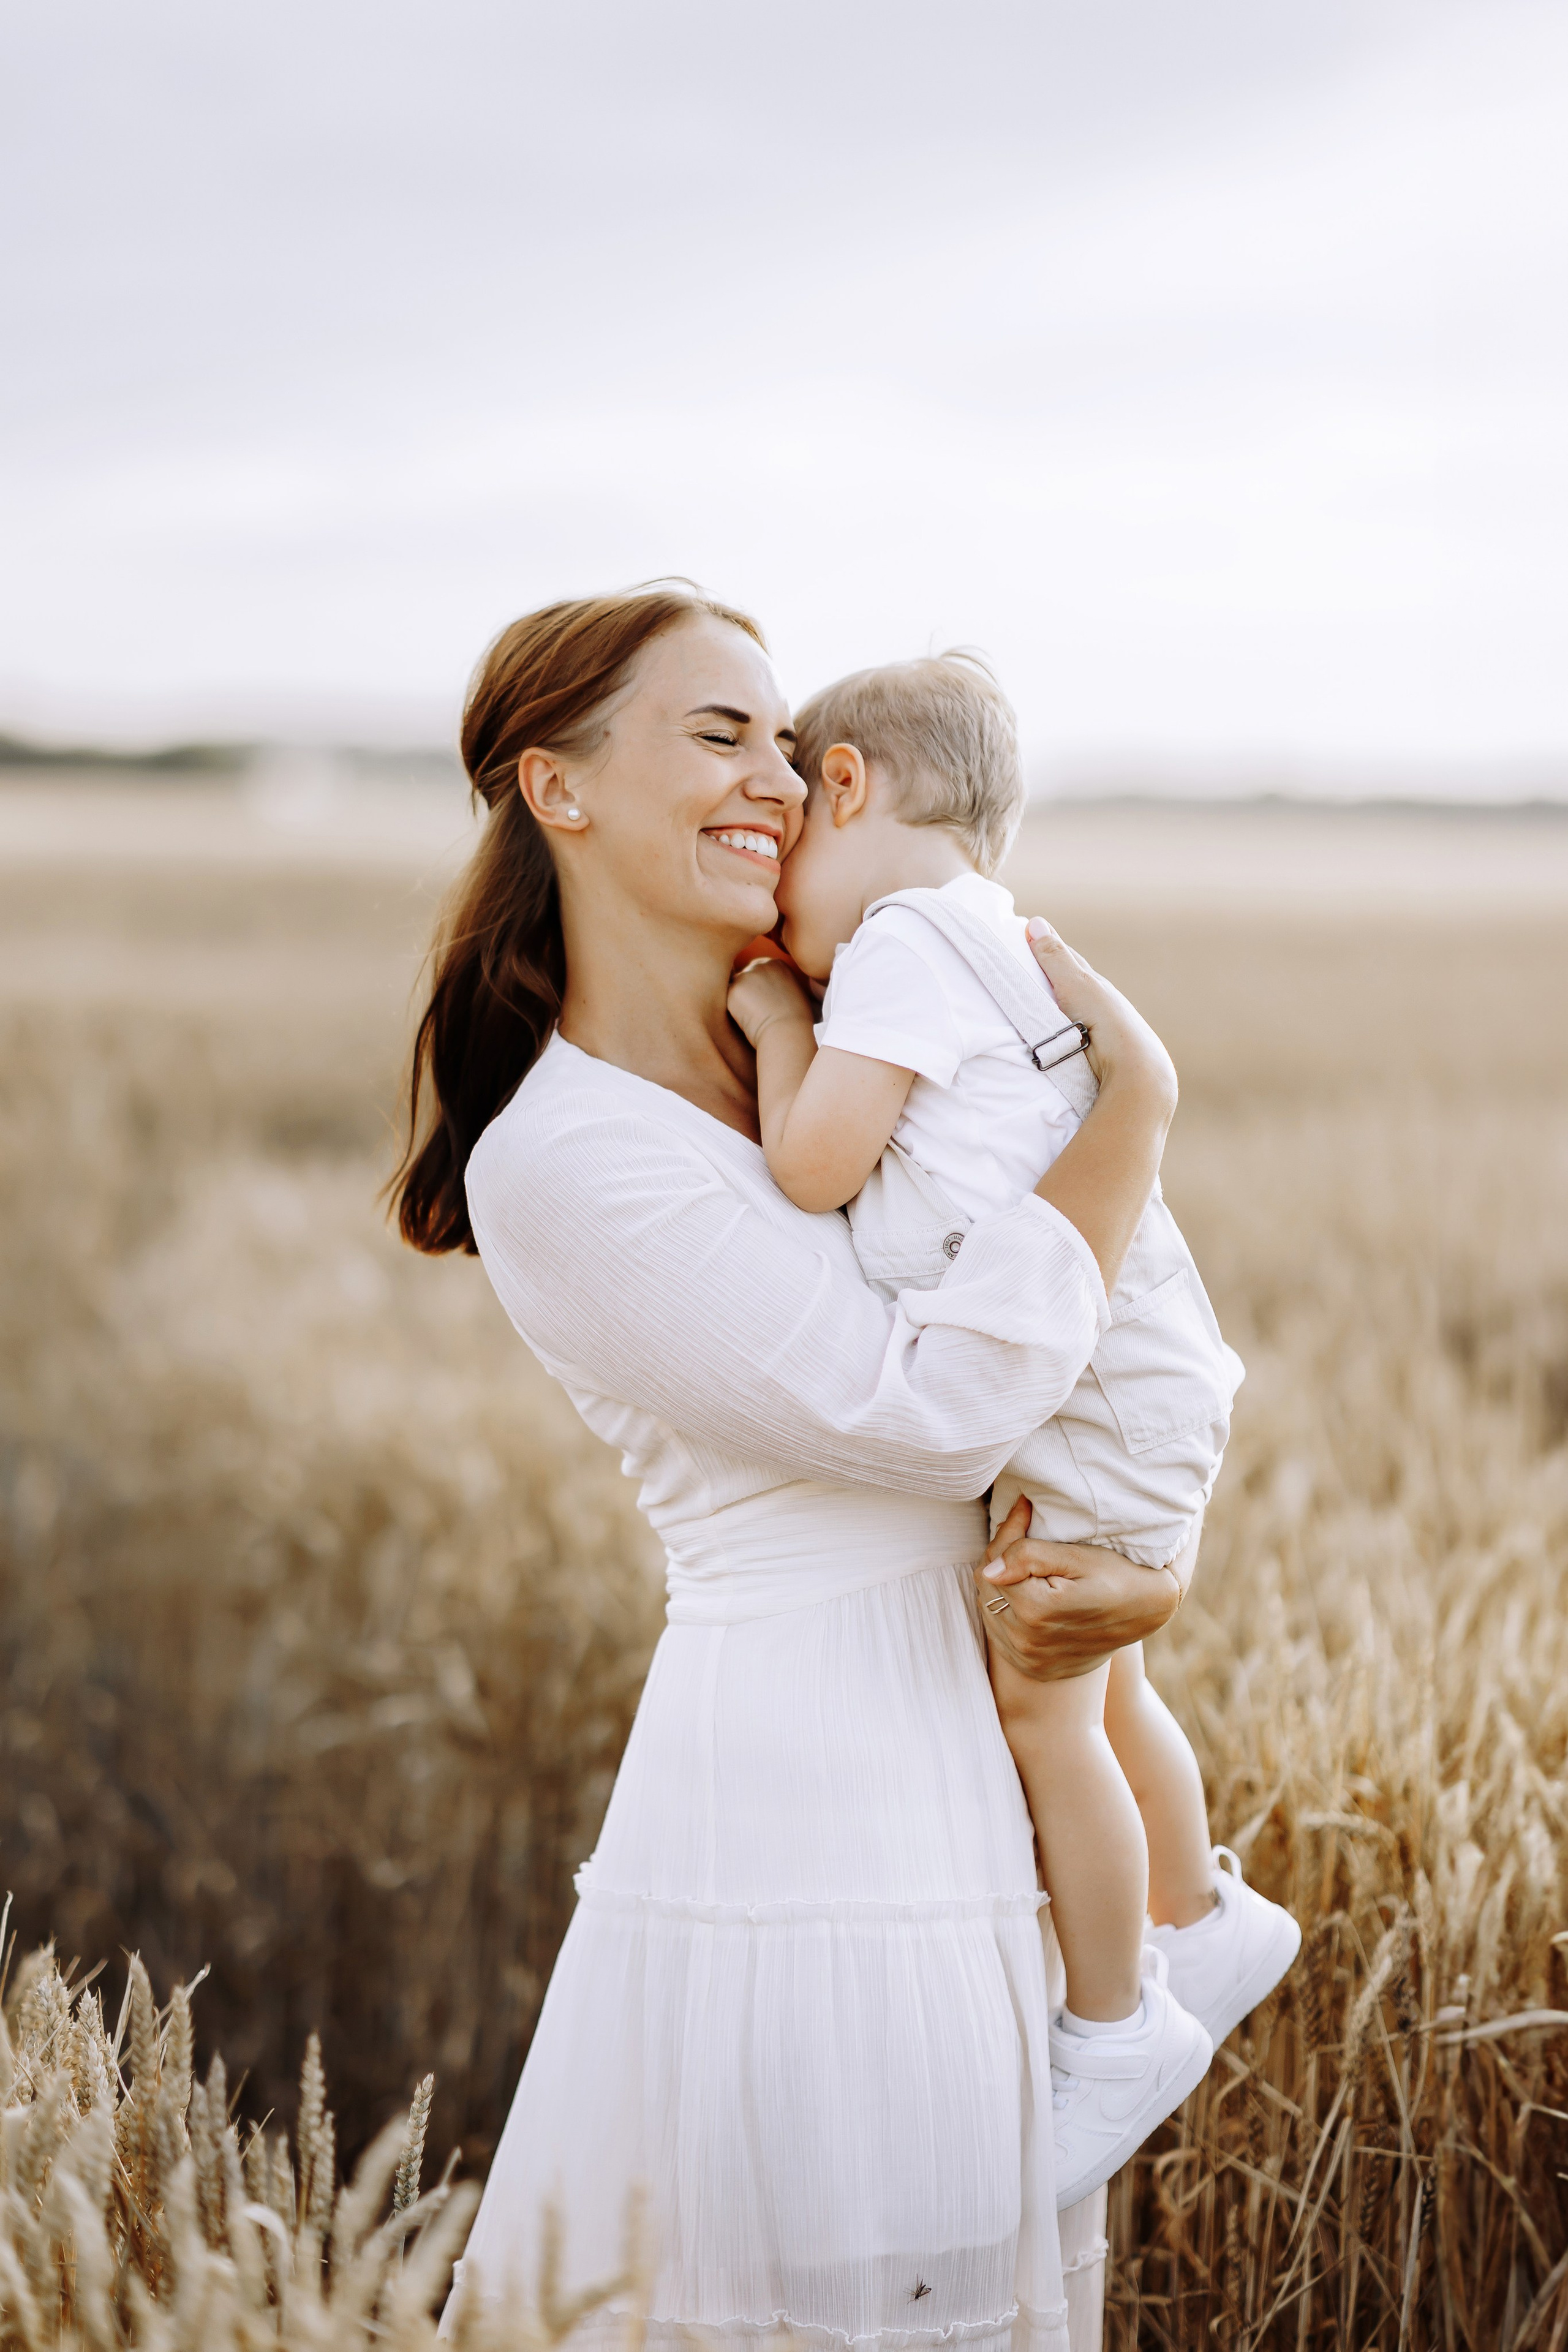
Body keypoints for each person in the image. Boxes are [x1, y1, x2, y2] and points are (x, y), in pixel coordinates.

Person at [395, 585, 1188, 2351]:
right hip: (816, 1807)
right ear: (560, 789)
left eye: (782, 735)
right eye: (718, 733)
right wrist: (1135, 1112)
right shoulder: (571, 1158)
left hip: (975, 1769)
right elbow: (927, 1418)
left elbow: (1074, 1371)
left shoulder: (843, 1068)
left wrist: (1126, 1584)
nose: (783, 773)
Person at [729, 652, 1300, 2207]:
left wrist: (784, 1021)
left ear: (844, 786)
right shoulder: (986, 936)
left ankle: (1116, 2027)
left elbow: (815, 1165)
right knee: (1102, 1685)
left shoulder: (902, 942)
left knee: (1046, 1705)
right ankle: (1201, 1913)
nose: (780, 915)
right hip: (1132, 1373)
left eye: (785, 871)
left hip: (1098, 1387)